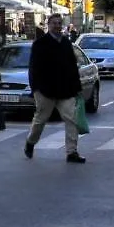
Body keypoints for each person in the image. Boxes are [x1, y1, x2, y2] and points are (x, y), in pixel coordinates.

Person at [24, 13, 86, 163]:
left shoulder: (65, 43)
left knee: (72, 119)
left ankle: (72, 152)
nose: (57, 26)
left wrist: (77, 87)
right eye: (54, 23)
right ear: (48, 25)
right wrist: (36, 89)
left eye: (59, 23)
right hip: (45, 90)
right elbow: (34, 68)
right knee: (40, 120)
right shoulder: (40, 44)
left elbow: (72, 66)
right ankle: (30, 142)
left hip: (65, 90)